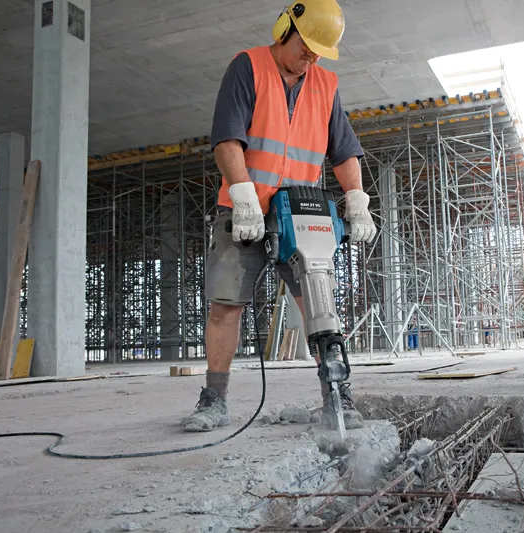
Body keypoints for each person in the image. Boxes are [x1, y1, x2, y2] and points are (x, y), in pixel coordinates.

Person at [181, 0, 377, 433]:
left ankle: (337, 397)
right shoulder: (247, 66)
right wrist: (244, 195)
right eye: (306, 46)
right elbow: (227, 139)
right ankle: (214, 400)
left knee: (319, 305)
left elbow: (343, 150)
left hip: (302, 209)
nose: (311, 57)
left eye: (318, 51)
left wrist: (357, 198)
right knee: (225, 304)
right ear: (284, 28)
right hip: (244, 207)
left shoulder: (325, 84)